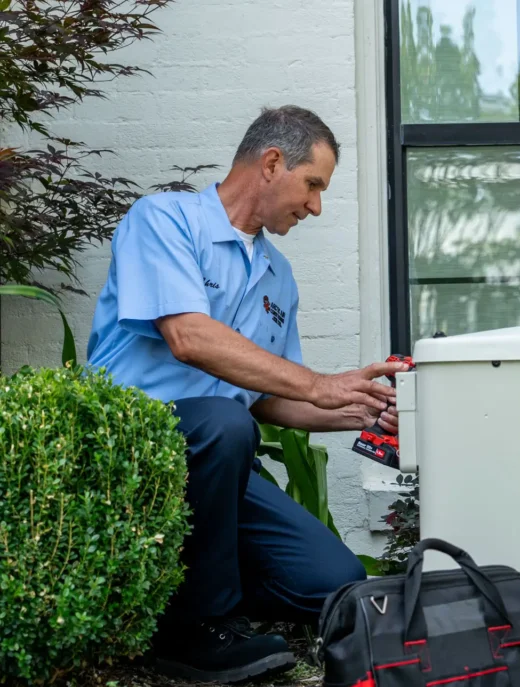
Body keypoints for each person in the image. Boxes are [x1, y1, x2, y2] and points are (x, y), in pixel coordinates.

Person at [85, 105, 408, 684]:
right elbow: (188, 337)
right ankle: (194, 633)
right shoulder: (164, 219)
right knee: (224, 425)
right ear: (273, 162)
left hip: (214, 455)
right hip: (132, 443)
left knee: (335, 582)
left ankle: (183, 582)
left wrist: (362, 410)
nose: (315, 206)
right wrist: (316, 383)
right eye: (313, 185)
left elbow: (265, 396)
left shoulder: (276, 276)